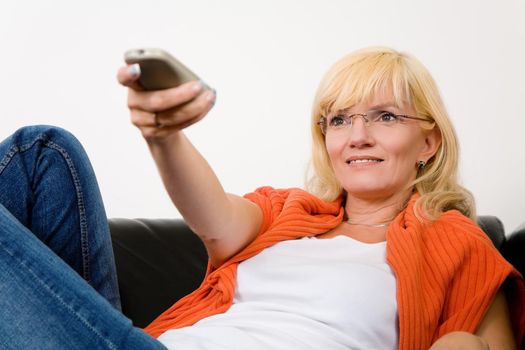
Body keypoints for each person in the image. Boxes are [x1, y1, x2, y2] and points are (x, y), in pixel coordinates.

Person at [0, 47, 523, 349]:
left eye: (385, 116)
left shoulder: (459, 246)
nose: (357, 135)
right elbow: (214, 218)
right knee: (42, 151)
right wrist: (164, 134)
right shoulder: (292, 212)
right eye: (339, 119)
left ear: (428, 142)